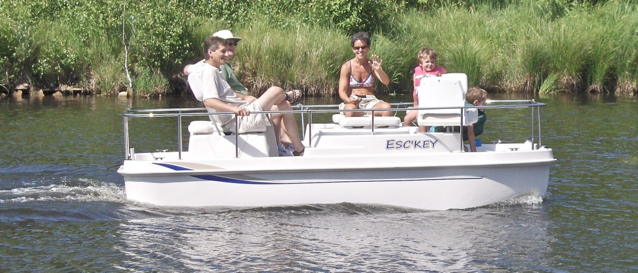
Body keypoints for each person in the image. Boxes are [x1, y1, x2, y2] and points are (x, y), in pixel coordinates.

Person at [184, 30, 302, 156]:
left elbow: (192, 70)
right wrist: (233, 109)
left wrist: (245, 98)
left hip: (243, 111)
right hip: (237, 120)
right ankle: (287, 96)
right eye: (222, 51)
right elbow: (209, 100)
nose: (226, 54)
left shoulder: (213, 69)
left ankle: (298, 149)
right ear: (210, 53)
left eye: (229, 48)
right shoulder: (210, 72)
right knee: (275, 90)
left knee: (284, 106)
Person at [338, 32, 392, 117]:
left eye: (363, 47)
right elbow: (342, 91)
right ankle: (362, 114)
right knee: (350, 111)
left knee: (387, 108)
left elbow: (386, 82)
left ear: (368, 48)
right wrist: (348, 100)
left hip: (370, 101)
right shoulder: (347, 66)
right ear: (353, 49)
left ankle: (378, 128)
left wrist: (378, 70)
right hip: (352, 100)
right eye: (357, 48)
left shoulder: (372, 65)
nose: (360, 50)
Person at [403, 48, 448, 128]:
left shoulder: (440, 71)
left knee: (422, 119)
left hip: (435, 104)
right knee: (407, 119)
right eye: (427, 62)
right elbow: (415, 91)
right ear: (421, 63)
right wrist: (415, 104)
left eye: (432, 62)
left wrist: (441, 78)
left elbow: (447, 85)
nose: (430, 64)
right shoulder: (417, 72)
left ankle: (425, 138)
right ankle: (411, 139)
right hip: (421, 105)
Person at [464, 87, 488, 152]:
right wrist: (474, 151)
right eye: (483, 103)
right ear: (476, 102)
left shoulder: (465, 103)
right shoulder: (471, 111)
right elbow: (470, 133)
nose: (485, 104)